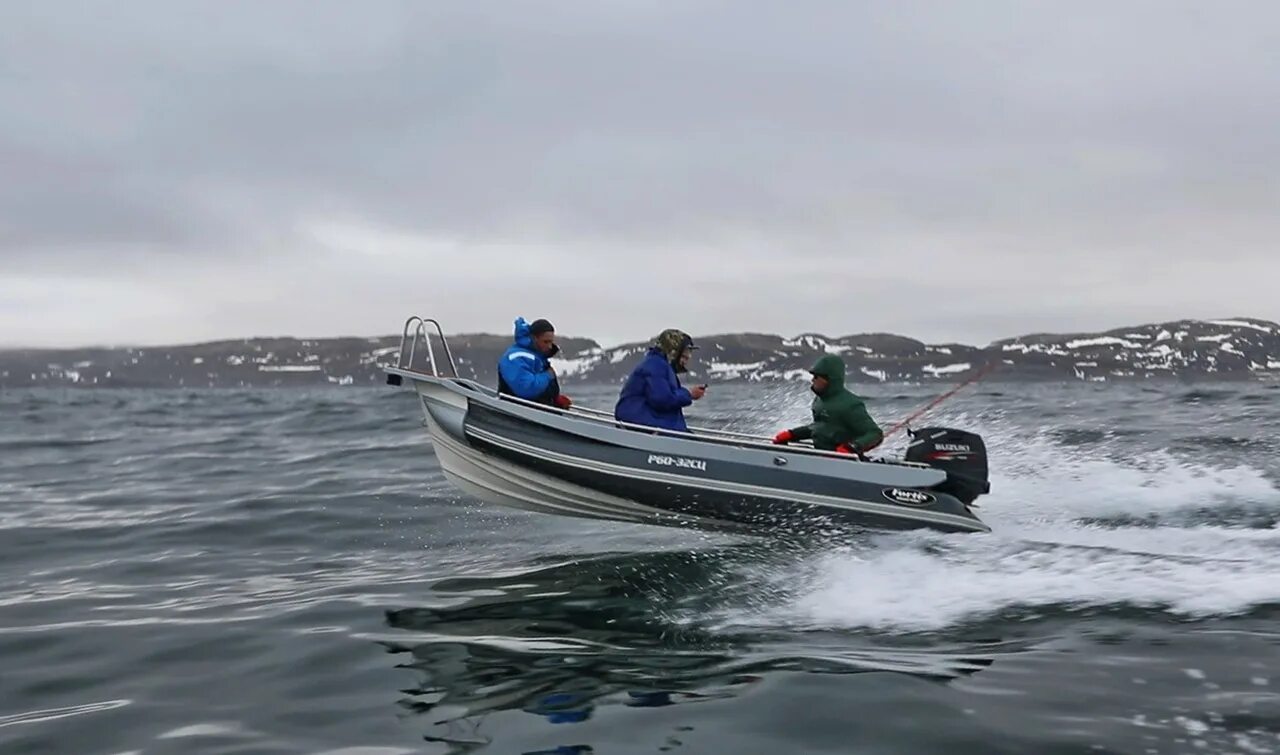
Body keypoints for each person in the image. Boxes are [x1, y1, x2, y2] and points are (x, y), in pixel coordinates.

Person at [772, 354, 883, 455]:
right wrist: (792, 434)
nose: (812, 380)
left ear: (829, 379)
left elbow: (875, 434)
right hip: (822, 456)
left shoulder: (850, 404)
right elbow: (820, 428)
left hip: (843, 461)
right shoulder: (819, 402)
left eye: (816, 377)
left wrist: (852, 447)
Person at [614, 328, 707, 432]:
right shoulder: (656, 366)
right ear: (673, 352)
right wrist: (689, 394)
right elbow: (662, 400)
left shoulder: (659, 365)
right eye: (684, 355)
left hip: (652, 424)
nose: (688, 358)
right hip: (643, 426)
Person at [497, 317, 572, 409]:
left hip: (541, 413)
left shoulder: (538, 356)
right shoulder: (515, 358)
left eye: (551, 342)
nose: (549, 346)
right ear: (534, 338)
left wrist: (555, 400)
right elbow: (526, 388)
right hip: (518, 414)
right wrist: (548, 375)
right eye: (546, 342)